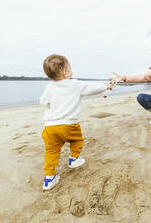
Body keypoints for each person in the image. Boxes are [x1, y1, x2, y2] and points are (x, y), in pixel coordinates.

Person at [40, 54, 113, 190]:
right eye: (70, 68)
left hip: (49, 127)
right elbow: (92, 88)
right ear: (65, 72)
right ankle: (74, 159)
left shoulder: (49, 87)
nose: (71, 70)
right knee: (77, 140)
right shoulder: (74, 84)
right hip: (68, 124)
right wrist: (105, 87)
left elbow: (43, 101)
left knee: (51, 151)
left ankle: (49, 178)